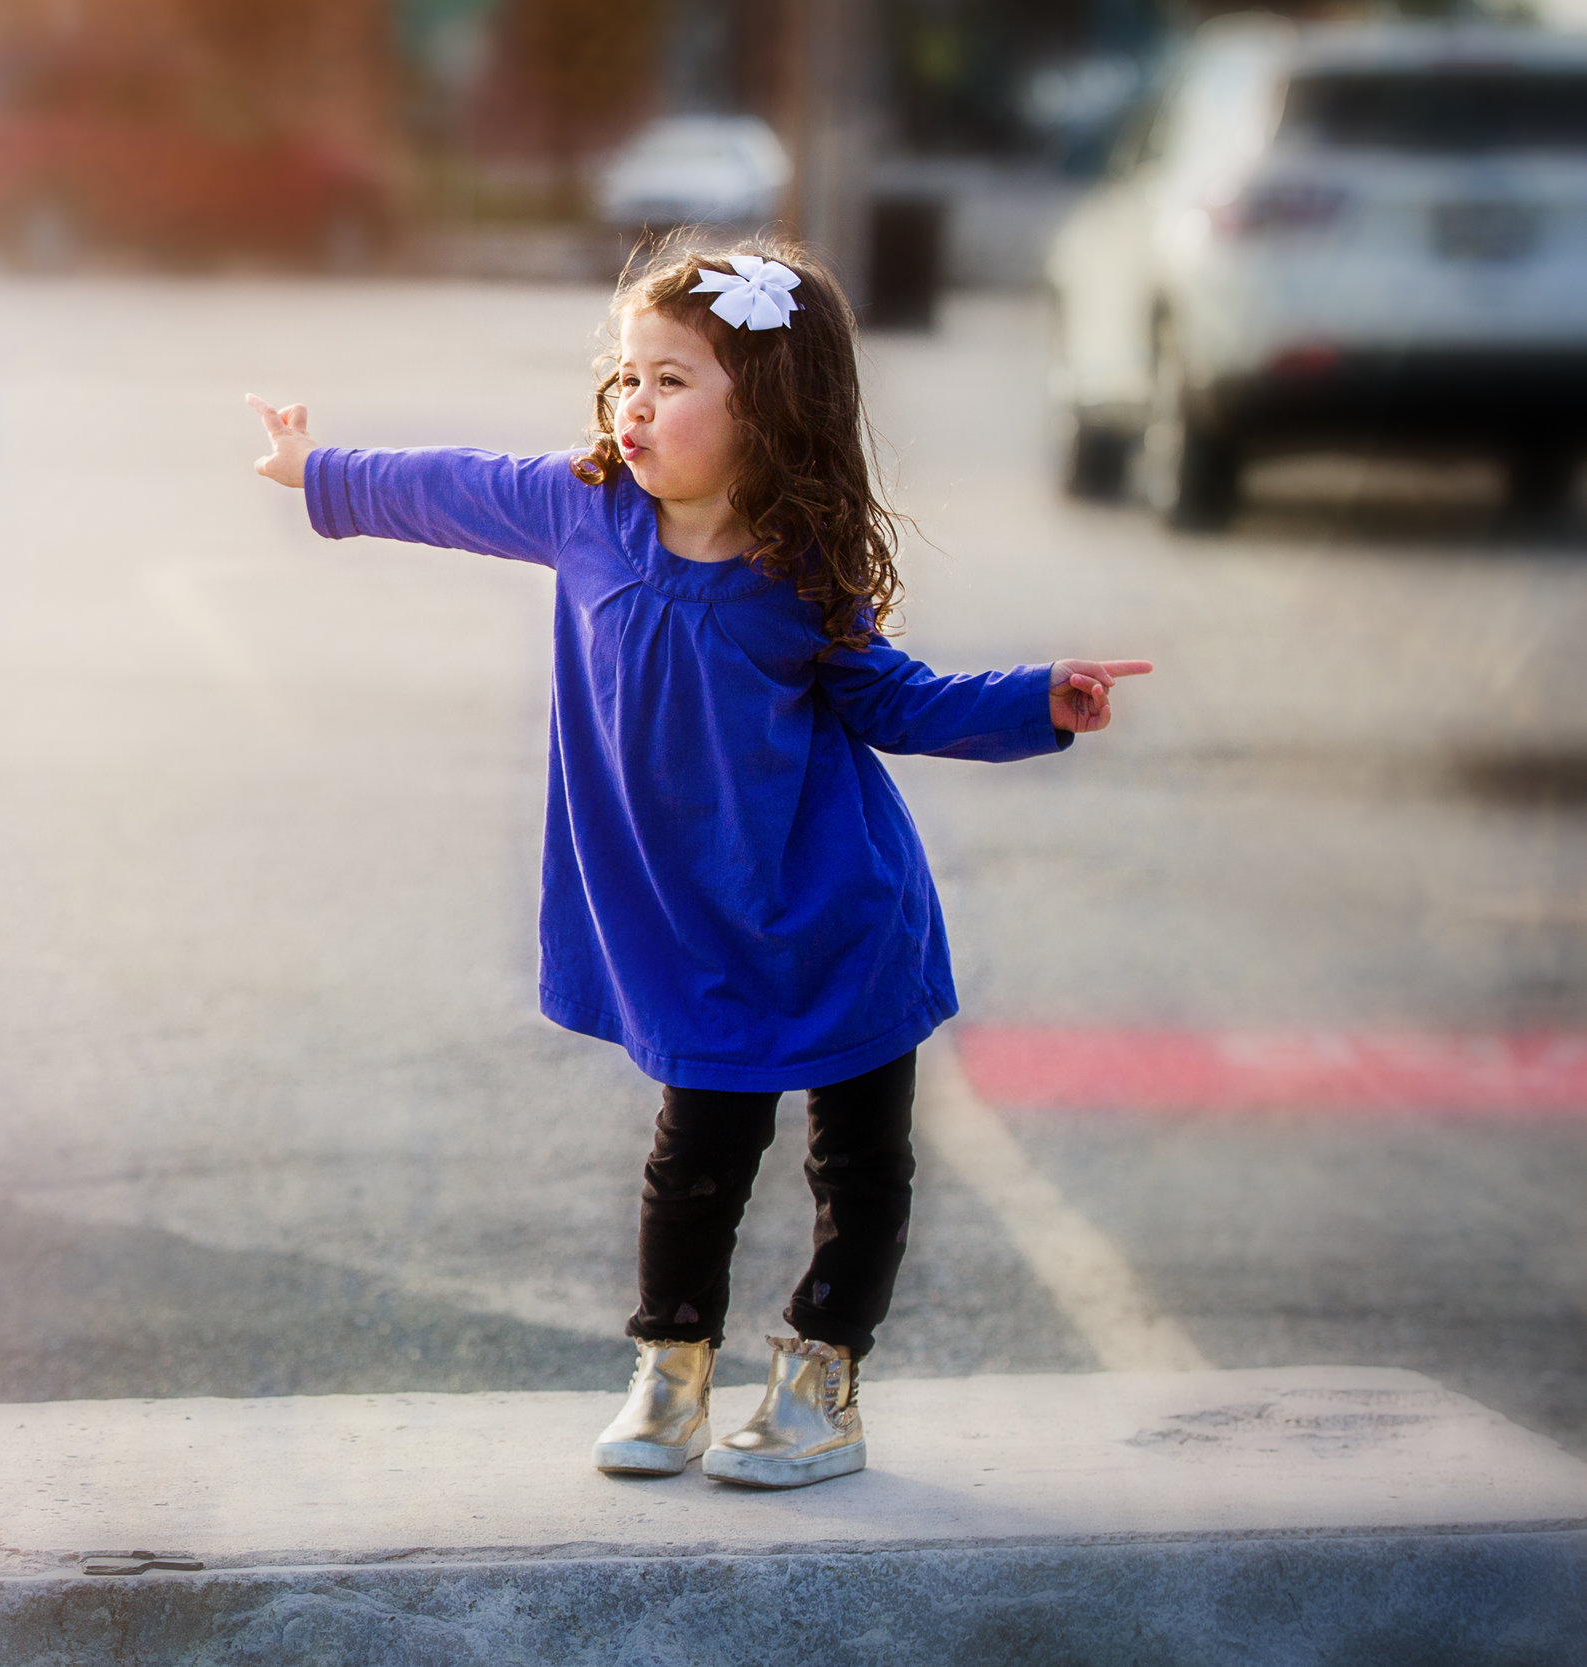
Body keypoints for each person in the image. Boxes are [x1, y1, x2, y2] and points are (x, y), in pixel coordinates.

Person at [245, 238, 1149, 1490]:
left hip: (839, 922)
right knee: (696, 1156)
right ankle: (670, 1372)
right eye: (626, 376)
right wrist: (316, 467)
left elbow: (900, 701)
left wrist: (1037, 700)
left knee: (860, 1162)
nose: (632, 404)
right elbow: (442, 486)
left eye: (670, 381)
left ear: (766, 409)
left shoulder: (798, 573)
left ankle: (820, 1376)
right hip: (695, 930)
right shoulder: (583, 509)